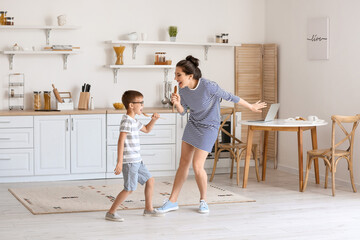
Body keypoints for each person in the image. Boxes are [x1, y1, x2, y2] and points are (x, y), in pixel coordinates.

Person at [156, 55, 267, 214]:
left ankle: (203, 201)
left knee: (197, 165)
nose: (175, 78)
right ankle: (172, 201)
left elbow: (230, 96)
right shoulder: (182, 89)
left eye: (178, 74)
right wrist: (178, 104)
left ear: (190, 76)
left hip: (209, 127)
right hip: (193, 124)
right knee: (183, 163)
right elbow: (183, 112)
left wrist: (250, 106)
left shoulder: (209, 86)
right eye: (175, 74)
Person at [105, 90, 163, 221]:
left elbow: (147, 130)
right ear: (131, 105)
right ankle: (111, 212)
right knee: (129, 189)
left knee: (150, 180)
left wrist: (153, 120)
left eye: (143, 103)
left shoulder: (134, 121)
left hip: (137, 160)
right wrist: (119, 162)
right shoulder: (126, 121)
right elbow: (120, 141)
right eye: (140, 103)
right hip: (130, 161)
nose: (142, 105)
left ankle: (148, 209)